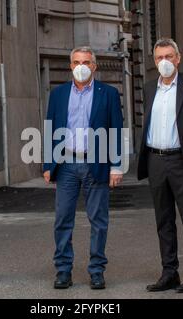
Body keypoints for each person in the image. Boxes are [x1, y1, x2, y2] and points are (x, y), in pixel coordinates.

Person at [43, 46, 124, 290]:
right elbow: (50, 128)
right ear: (70, 66)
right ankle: (63, 270)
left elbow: (116, 131)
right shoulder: (58, 94)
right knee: (62, 219)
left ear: (94, 66)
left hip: (96, 163)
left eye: (86, 62)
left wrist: (116, 166)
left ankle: (97, 270)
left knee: (98, 220)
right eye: (77, 62)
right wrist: (48, 164)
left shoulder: (108, 93)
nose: (81, 66)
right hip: (66, 163)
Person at [137, 38, 183, 293]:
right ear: (154, 61)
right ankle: (169, 273)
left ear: (178, 58)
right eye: (159, 58)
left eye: (169, 56)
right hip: (155, 160)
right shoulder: (148, 89)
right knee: (163, 221)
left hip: (182, 161)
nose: (164, 62)